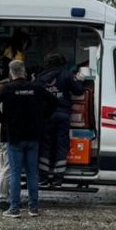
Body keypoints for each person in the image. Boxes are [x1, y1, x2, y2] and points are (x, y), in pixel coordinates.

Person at [0, 60, 56, 218]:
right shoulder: (36, 87)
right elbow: (54, 102)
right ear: (24, 71)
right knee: (33, 173)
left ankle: (15, 209)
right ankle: (33, 208)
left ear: (11, 72)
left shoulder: (7, 88)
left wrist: (2, 119)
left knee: (15, 173)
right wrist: (43, 117)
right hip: (33, 136)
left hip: (15, 136)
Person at [35, 53, 83, 186]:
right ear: (61, 63)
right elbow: (79, 91)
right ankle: (57, 179)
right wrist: (79, 80)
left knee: (45, 145)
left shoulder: (40, 77)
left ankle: (43, 178)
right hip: (63, 115)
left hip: (46, 116)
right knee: (61, 145)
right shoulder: (67, 75)